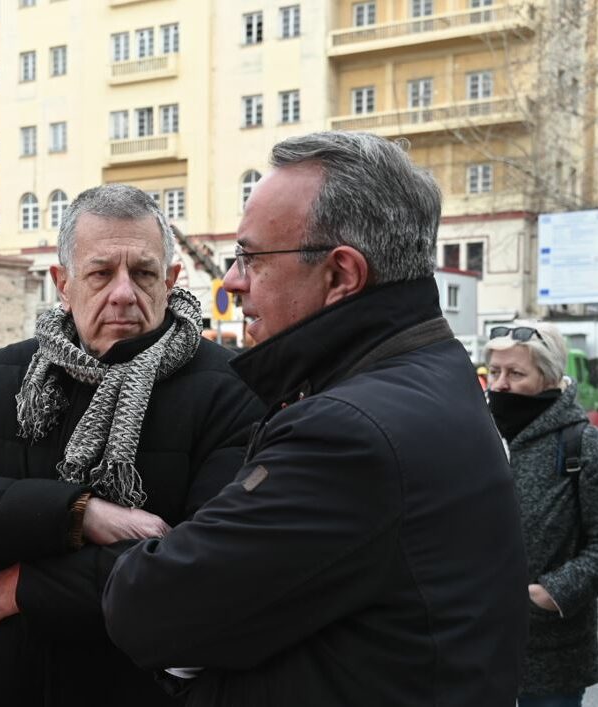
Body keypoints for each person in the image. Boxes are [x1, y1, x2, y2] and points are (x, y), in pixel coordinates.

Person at [103, 131, 527, 705]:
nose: (232, 280)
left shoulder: (348, 432)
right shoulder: (426, 370)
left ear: (340, 276)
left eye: (251, 257)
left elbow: (147, 608)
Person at [0, 184, 266, 707]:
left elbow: (212, 563)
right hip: (8, 683)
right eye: (100, 273)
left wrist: (30, 587)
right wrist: (78, 513)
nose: (123, 293)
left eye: (143, 273)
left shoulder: (230, 387)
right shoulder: (3, 377)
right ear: (63, 283)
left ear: (169, 281)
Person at [485, 321, 598, 707]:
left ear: (549, 379)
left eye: (516, 373)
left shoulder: (581, 443)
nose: (500, 384)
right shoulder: (481, 435)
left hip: (552, 650)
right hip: (478, 644)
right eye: (495, 371)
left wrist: (553, 593)